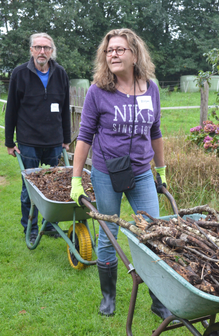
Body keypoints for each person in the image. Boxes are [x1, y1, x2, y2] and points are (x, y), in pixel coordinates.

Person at [70, 28, 169, 318]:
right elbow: (85, 136)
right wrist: (77, 179)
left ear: (134, 54)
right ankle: (108, 298)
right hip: (105, 172)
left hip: (140, 173)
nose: (112, 54)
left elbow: (156, 131)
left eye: (119, 49)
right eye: (109, 50)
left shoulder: (151, 88)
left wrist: (161, 171)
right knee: (108, 233)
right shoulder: (98, 90)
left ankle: (159, 300)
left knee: (152, 232)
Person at [5, 32, 71, 244]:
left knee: (55, 187)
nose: (42, 51)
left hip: (54, 142)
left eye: (46, 48)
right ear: (31, 50)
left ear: (52, 51)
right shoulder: (19, 73)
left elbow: (65, 109)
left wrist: (66, 138)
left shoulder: (60, 73)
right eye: (38, 47)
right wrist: (9, 141)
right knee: (30, 190)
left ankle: (50, 225)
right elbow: (12, 109)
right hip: (28, 142)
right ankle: (31, 228)